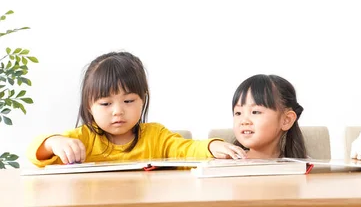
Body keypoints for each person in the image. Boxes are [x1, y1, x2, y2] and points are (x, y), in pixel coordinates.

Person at [27, 51, 245, 167]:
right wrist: (53, 143)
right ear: (89, 107)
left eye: (128, 101)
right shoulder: (82, 139)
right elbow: (35, 155)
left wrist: (212, 146)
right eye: (105, 104)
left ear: (143, 100)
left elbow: (185, 148)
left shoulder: (155, 136)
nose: (117, 111)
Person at [232, 74, 307, 159]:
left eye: (255, 112)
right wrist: (213, 145)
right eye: (238, 113)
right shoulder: (227, 160)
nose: (244, 121)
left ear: (286, 120)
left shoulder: (302, 165)